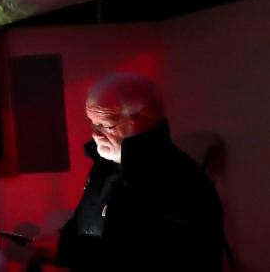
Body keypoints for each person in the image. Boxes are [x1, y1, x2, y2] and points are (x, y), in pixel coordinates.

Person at [30, 73, 226, 271]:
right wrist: (62, 239)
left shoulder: (181, 181)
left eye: (105, 124)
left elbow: (159, 257)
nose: (95, 133)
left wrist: (71, 252)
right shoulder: (107, 163)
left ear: (144, 117)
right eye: (91, 122)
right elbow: (88, 220)